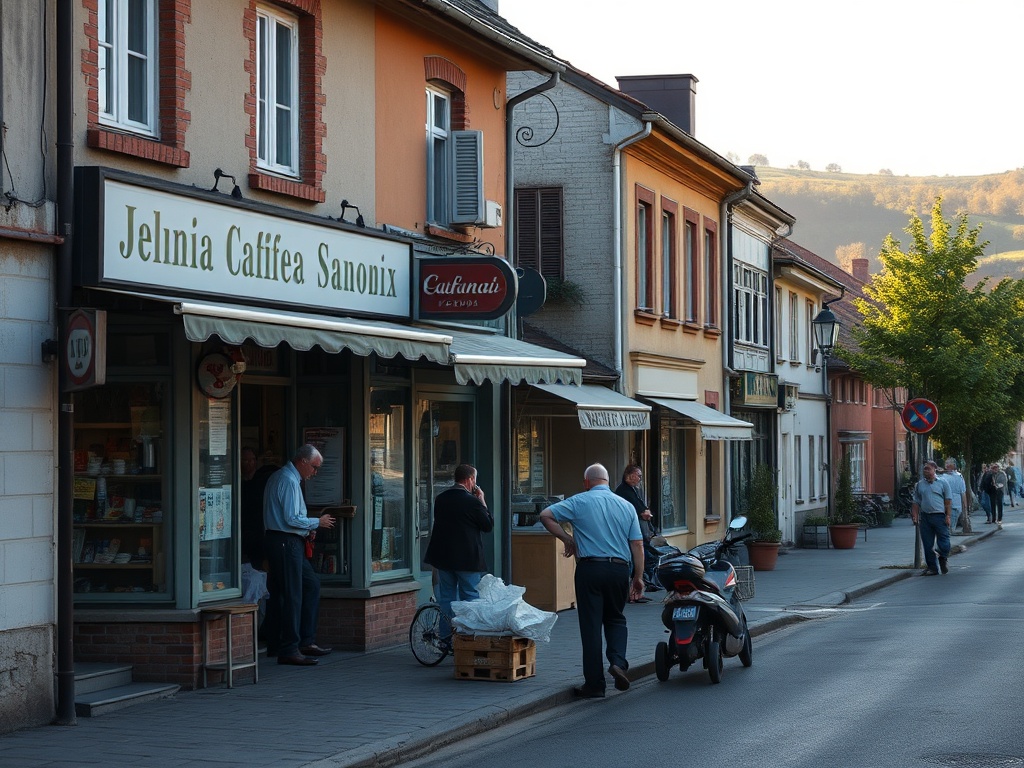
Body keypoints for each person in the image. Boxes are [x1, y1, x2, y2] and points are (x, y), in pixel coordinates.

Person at [539, 463, 644, 698]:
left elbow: (545, 515)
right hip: (619, 569)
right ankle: (618, 662)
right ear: (607, 481)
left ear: (587, 482)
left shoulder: (579, 501)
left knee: (591, 626)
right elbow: (637, 544)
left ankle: (595, 684)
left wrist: (567, 539)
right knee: (616, 618)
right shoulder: (626, 506)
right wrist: (638, 577)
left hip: (590, 569)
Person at [263, 444, 336, 666]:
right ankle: (289, 648)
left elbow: (290, 518)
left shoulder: (284, 477)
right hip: (285, 541)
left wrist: (307, 529)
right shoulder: (288, 480)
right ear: (303, 462)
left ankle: (296, 642)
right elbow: (291, 518)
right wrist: (317, 522)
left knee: (306, 586)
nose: (315, 472)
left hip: (284, 540)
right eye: (314, 467)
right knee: (292, 593)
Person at [423, 464, 493, 636]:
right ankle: (468, 638)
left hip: (444, 557)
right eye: (474, 479)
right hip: (467, 559)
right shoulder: (472, 502)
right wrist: (482, 500)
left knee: (447, 598)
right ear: (470, 479)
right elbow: (487, 525)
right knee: (470, 597)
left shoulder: (441, 498)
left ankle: (446, 638)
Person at [614, 464, 659, 600]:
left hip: (636, 534)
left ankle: (636, 591)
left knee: (640, 562)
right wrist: (645, 513)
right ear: (630, 475)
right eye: (638, 475)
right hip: (630, 535)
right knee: (637, 562)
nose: (640, 478)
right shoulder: (624, 491)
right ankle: (633, 592)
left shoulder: (632, 490)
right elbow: (641, 511)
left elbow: (643, 508)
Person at [911, 460, 952, 576]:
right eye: (924, 469)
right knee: (927, 544)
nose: (926, 471)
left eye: (928, 469)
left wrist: (948, 516)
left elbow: (948, 501)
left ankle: (942, 556)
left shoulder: (943, 483)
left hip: (940, 516)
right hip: (925, 517)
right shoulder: (920, 485)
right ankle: (932, 568)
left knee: (944, 541)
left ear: (935, 469)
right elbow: (916, 501)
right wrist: (915, 516)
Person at [240, 447, 277, 568]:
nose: (249, 463)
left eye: (252, 460)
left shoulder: (263, 481)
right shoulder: (237, 482)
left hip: (260, 526)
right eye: (245, 460)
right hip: (243, 527)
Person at [942, 458, 967, 531]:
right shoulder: (942, 476)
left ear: (953, 465)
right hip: (944, 505)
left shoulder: (958, 476)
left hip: (954, 506)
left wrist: (965, 508)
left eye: (948, 463)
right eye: (946, 463)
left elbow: (963, 493)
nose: (947, 465)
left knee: (949, 528)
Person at [989, 462, 1007, 527]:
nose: (995, 469)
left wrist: (996, 485)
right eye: (994, 467)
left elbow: (1003, 483)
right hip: (993, 491)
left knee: (999, 504)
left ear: (998, 467)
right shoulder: (991, 474)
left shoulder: (1002, 474)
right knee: (992, 504)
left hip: (1000, 491)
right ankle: (993, 518)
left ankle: (999, 518)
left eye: (996, 467)